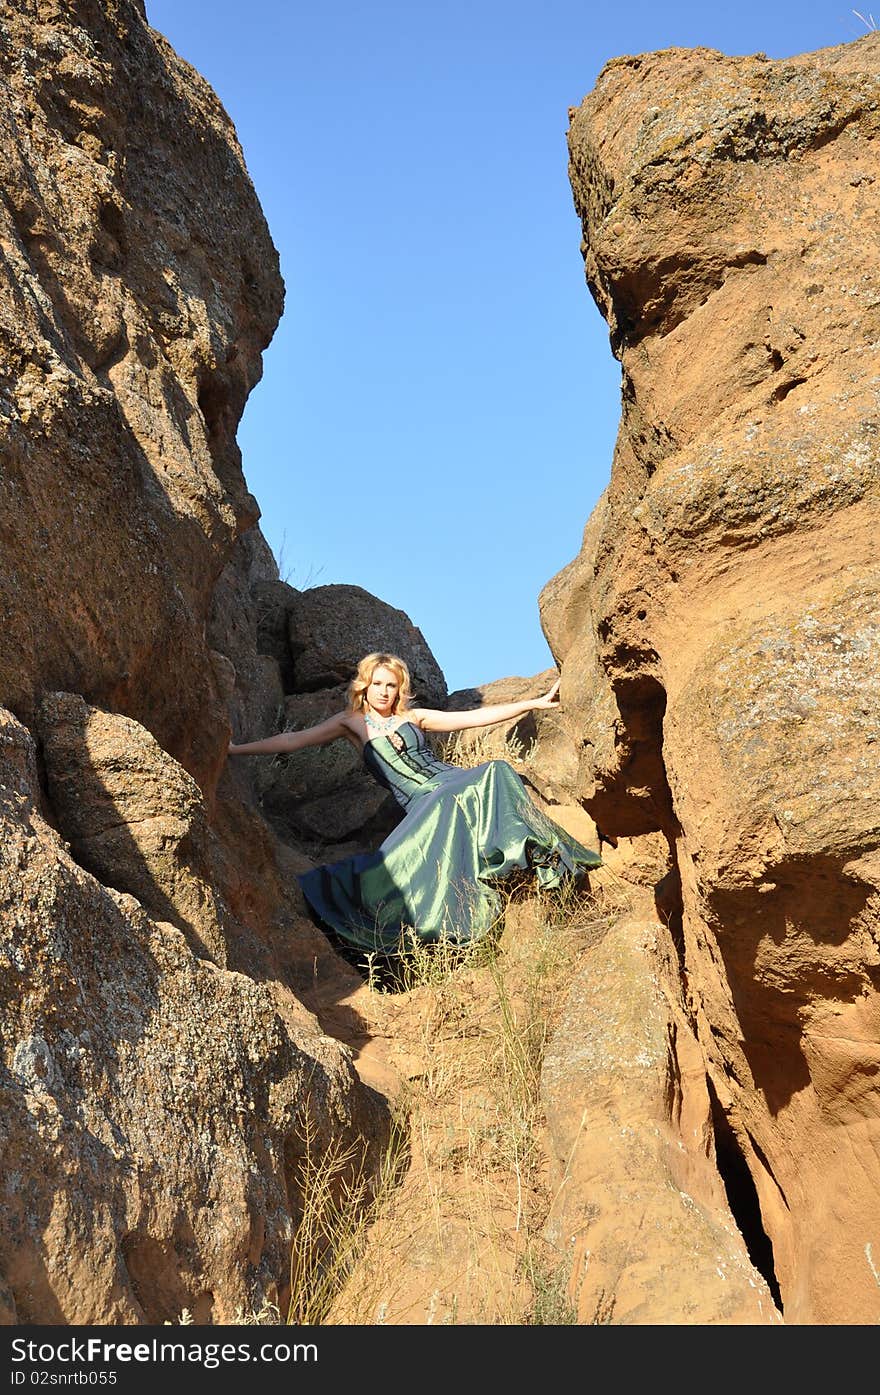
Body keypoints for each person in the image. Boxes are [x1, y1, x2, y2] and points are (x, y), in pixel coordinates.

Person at [228, 651, 601, 954]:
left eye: (391, 685)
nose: (384, 692)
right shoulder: (351, 723)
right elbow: (294, 741)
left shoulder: (415, 717)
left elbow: (472, 718)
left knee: (497, 770)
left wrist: (531, 703)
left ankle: (528, 859)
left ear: (399, 689)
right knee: (431, 821)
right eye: (377, 684)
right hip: (424, 801)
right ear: (365, 686)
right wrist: (236, 749)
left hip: (449, 781)